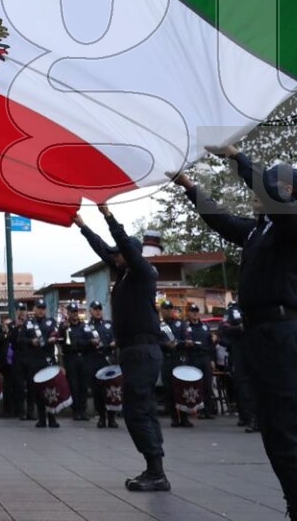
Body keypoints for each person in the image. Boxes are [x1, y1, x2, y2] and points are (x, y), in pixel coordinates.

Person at [170, 144, 297, 521]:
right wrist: (187, 184)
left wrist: (237, 158)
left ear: (287, 192)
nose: (257, 195)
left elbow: (271, 198)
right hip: (261, 337)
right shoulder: (261, 231)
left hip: (284, 334)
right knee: (274, 435)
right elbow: (221, 219)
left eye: (267, 188)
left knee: (284, 436)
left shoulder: (296, 224)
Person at [74, 204, 167, 492]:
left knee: (136, 411)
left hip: (142, 350)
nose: (116, 256)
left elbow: (123, 244)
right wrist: (82, 224)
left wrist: (108, 215)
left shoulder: (143, 273)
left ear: (132, 255)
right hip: (132, 351)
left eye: (121, 253)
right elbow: (104, 249)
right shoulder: (124, 273)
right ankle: (155, 469)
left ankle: (156, 471)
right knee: (144, 410)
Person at [17, 300, 59, 429]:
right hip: (34, 360)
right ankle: (41, 418)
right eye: (38, 308)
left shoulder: (51, 322)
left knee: (51, 389)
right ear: (34, 309)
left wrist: (52, 338)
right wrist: (31, 341)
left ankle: (52, 418)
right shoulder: (28, 323)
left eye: (43, 308)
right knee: (38, 390)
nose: (41, 310)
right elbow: (20, 340)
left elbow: (55, 335)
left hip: (48, 359)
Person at [218, 302, 254, 430]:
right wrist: (239, 328)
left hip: (257, 350)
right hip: (240, 352)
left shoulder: (258, 307)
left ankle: (255, 417)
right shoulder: (233, 311)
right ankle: (248, 417)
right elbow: (223, 329)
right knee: (242, 385)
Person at [86, 303, 118, 430]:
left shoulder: (109, 324)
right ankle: (101, 417)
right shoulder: (87, 327)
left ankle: (112, 418)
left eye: (99, 309)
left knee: (110, 390)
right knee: (97, 391)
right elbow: (80, 342)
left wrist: (115, 342)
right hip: (94, 360)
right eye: (95, 309)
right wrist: (89, 342)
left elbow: (117, 338)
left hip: (108, 360)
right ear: (90, 311)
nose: (98, 312)